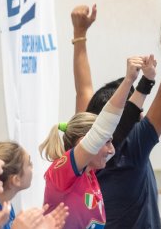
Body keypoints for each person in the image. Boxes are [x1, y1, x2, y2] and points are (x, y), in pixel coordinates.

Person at [70, 4, 161, 228]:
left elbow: (84, 90)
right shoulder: (134, 144)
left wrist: (79, 34)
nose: (142, 113)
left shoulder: (86, 144)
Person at [39, 56, 151, 228]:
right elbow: (104, 124)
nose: (112, 150)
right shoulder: (62, 173)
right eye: (106, 142)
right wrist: (128, 80)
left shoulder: (90, 174)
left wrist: (146, 82)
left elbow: (125, 119)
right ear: (85, 142)